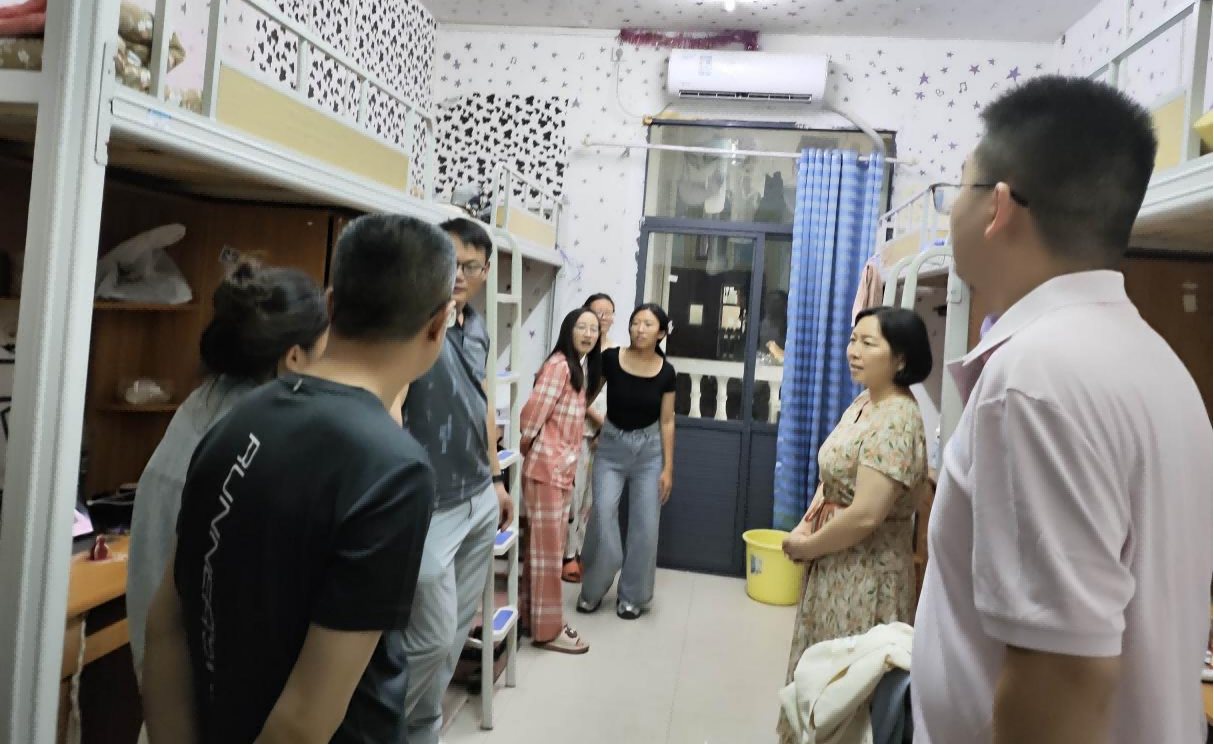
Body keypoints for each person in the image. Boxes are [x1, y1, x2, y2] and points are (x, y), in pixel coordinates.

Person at [912, 76, 1214, 744]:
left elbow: (1063, 680)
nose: (950, 210)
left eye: (956, 188)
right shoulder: (1161, 364)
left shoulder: (1034, 379)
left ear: (997, 207)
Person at [140, 214, 457, 744]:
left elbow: (167, 625)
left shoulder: (235, 419)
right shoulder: (394, 469)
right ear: (439, 323)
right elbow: (304, 723)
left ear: (331, 305)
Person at [127, 262, 329, 690]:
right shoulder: (263, 437)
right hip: (216, 690)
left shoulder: (202, 404)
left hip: (165, 678)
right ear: (294, 357)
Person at [775, 306, 932, 744]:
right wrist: (805, 526)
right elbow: (832, 477)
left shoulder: (898, 418)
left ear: (900, 358)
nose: (853, 351)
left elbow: (866, 514)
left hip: (865, 575)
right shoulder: (865, 402)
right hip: (834, 565)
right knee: (818, 677)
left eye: (868, 343)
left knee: (849, 699)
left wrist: (809, 547)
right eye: (852, 340)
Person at [400, 217, 514, 744]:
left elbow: (483, 402)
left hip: (477, 497)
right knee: (426, 637)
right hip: (430, 504)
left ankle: (422, 729)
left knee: (451, 635)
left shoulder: (478, 327)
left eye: (471, 266)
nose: (459, 275)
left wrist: (497, 479)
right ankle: (374, 727)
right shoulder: (413, 322)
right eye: (451, 263)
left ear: (486, 271)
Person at [577, 303, 677, 620]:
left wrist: (668, 468)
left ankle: (633, 596)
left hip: (649, 454)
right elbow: (585, 397)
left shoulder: (666, 372)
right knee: (601, 515)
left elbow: (667, 421)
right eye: (635, 323)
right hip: (611, 449)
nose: (639, 329)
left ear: (660, 333)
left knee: (645, 526)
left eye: (648, 324)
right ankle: (593, 589)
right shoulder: (611, 358)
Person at [518, 307, 603, 654]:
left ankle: (531, 618)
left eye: (593, 329)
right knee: (548, 554)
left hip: (557, 469)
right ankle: (549, 630)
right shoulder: (559, 366)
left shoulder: (577, 367)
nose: (588, 334)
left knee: (542, 552)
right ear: (568, 330)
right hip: (547, 469)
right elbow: (531, 415)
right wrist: (530, 445)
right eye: (581, 327)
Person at [563, 292, 618, 583]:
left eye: (609, 313)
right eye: (598, 312)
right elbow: (578, 398)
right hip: (579, 433)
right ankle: (566, 556)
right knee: (573, 496)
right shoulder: (579, 352)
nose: (603, 318)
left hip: (605, 436)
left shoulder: (617, 352)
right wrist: (600, 424)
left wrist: (607, 430)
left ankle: (579, 553)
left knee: (591, 500)